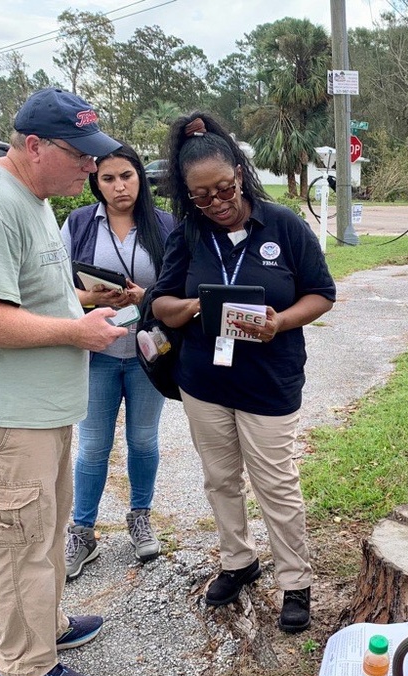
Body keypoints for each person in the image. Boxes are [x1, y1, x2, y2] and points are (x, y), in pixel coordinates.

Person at [0, 87, 126, 676]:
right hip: (5, 415)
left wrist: (86, 302)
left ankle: (46, 628)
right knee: (19, 542)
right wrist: (77, 331)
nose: (91, 169)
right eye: (80, 156)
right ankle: (21, 666)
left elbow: (27, 291)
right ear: (35, 145)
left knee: (44, 531)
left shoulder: (34, 196)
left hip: (38, 413)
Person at [149, 112, 336, 634]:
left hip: (268, 381)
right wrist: (193, 309)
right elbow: (159, 301)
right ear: (187, 197)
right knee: (221, 480)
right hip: (204, 382)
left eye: (224, 188)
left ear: (239, 172)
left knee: (276, 484)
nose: (217, 203)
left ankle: (294, 581)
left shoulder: (284, 226)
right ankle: (239, 561)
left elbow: (322, 294)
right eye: (202, 197)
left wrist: (281, 322)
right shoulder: (187, 235)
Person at [60, 143, 175, 578]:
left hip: (148, 351)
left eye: (126, 175)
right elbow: (54, 290)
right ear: (96, 182)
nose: (118, 186)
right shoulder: (79, 224)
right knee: (92, 446)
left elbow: (179, 287)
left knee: (143, 440)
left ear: (140, 177)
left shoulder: (164, 225)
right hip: (98, 352)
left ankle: (139, 517)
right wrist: (94, 297)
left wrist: (146, 296)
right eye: (107, 178)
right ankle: (83, 532)